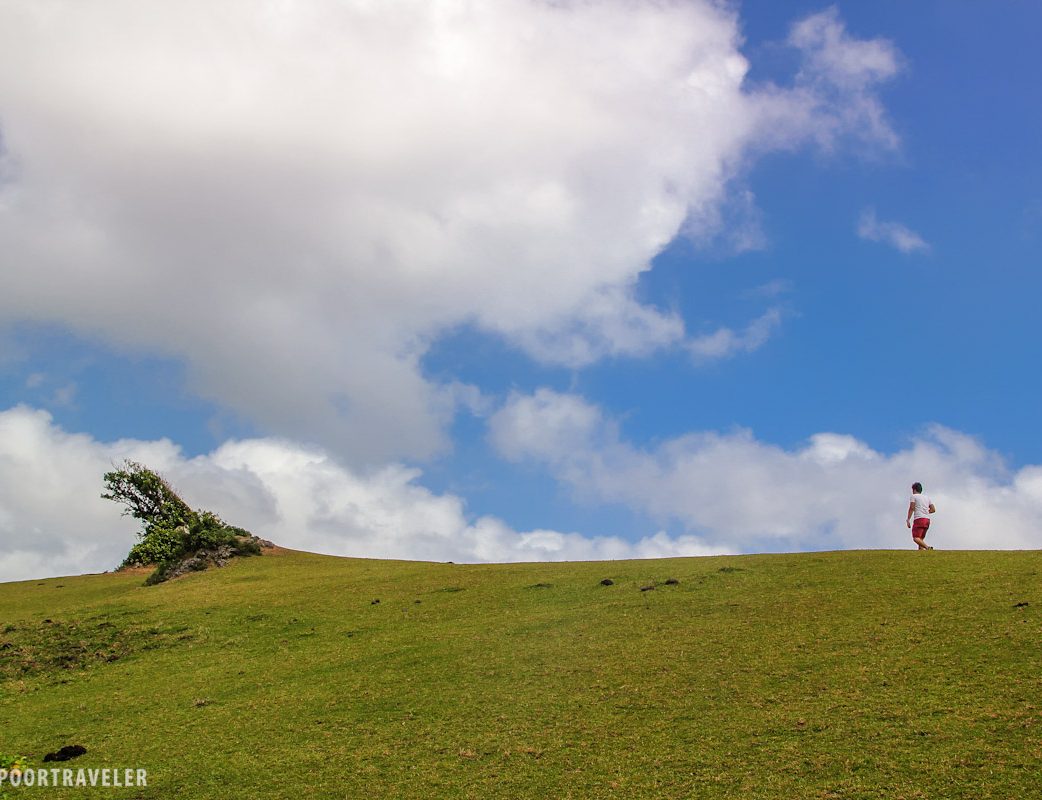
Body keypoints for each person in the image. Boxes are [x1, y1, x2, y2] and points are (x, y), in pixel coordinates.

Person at [906, 482, 936, 550]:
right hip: (927, 520)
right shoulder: (927, 497)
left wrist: (908, 519)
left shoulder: (913, 496)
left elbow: (912, 508)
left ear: (914, 489)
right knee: (920, 539)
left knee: (916, 538)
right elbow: (933, 509)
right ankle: (921, 553)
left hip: (919, 519)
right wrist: (925, 512)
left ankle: (928, 547)